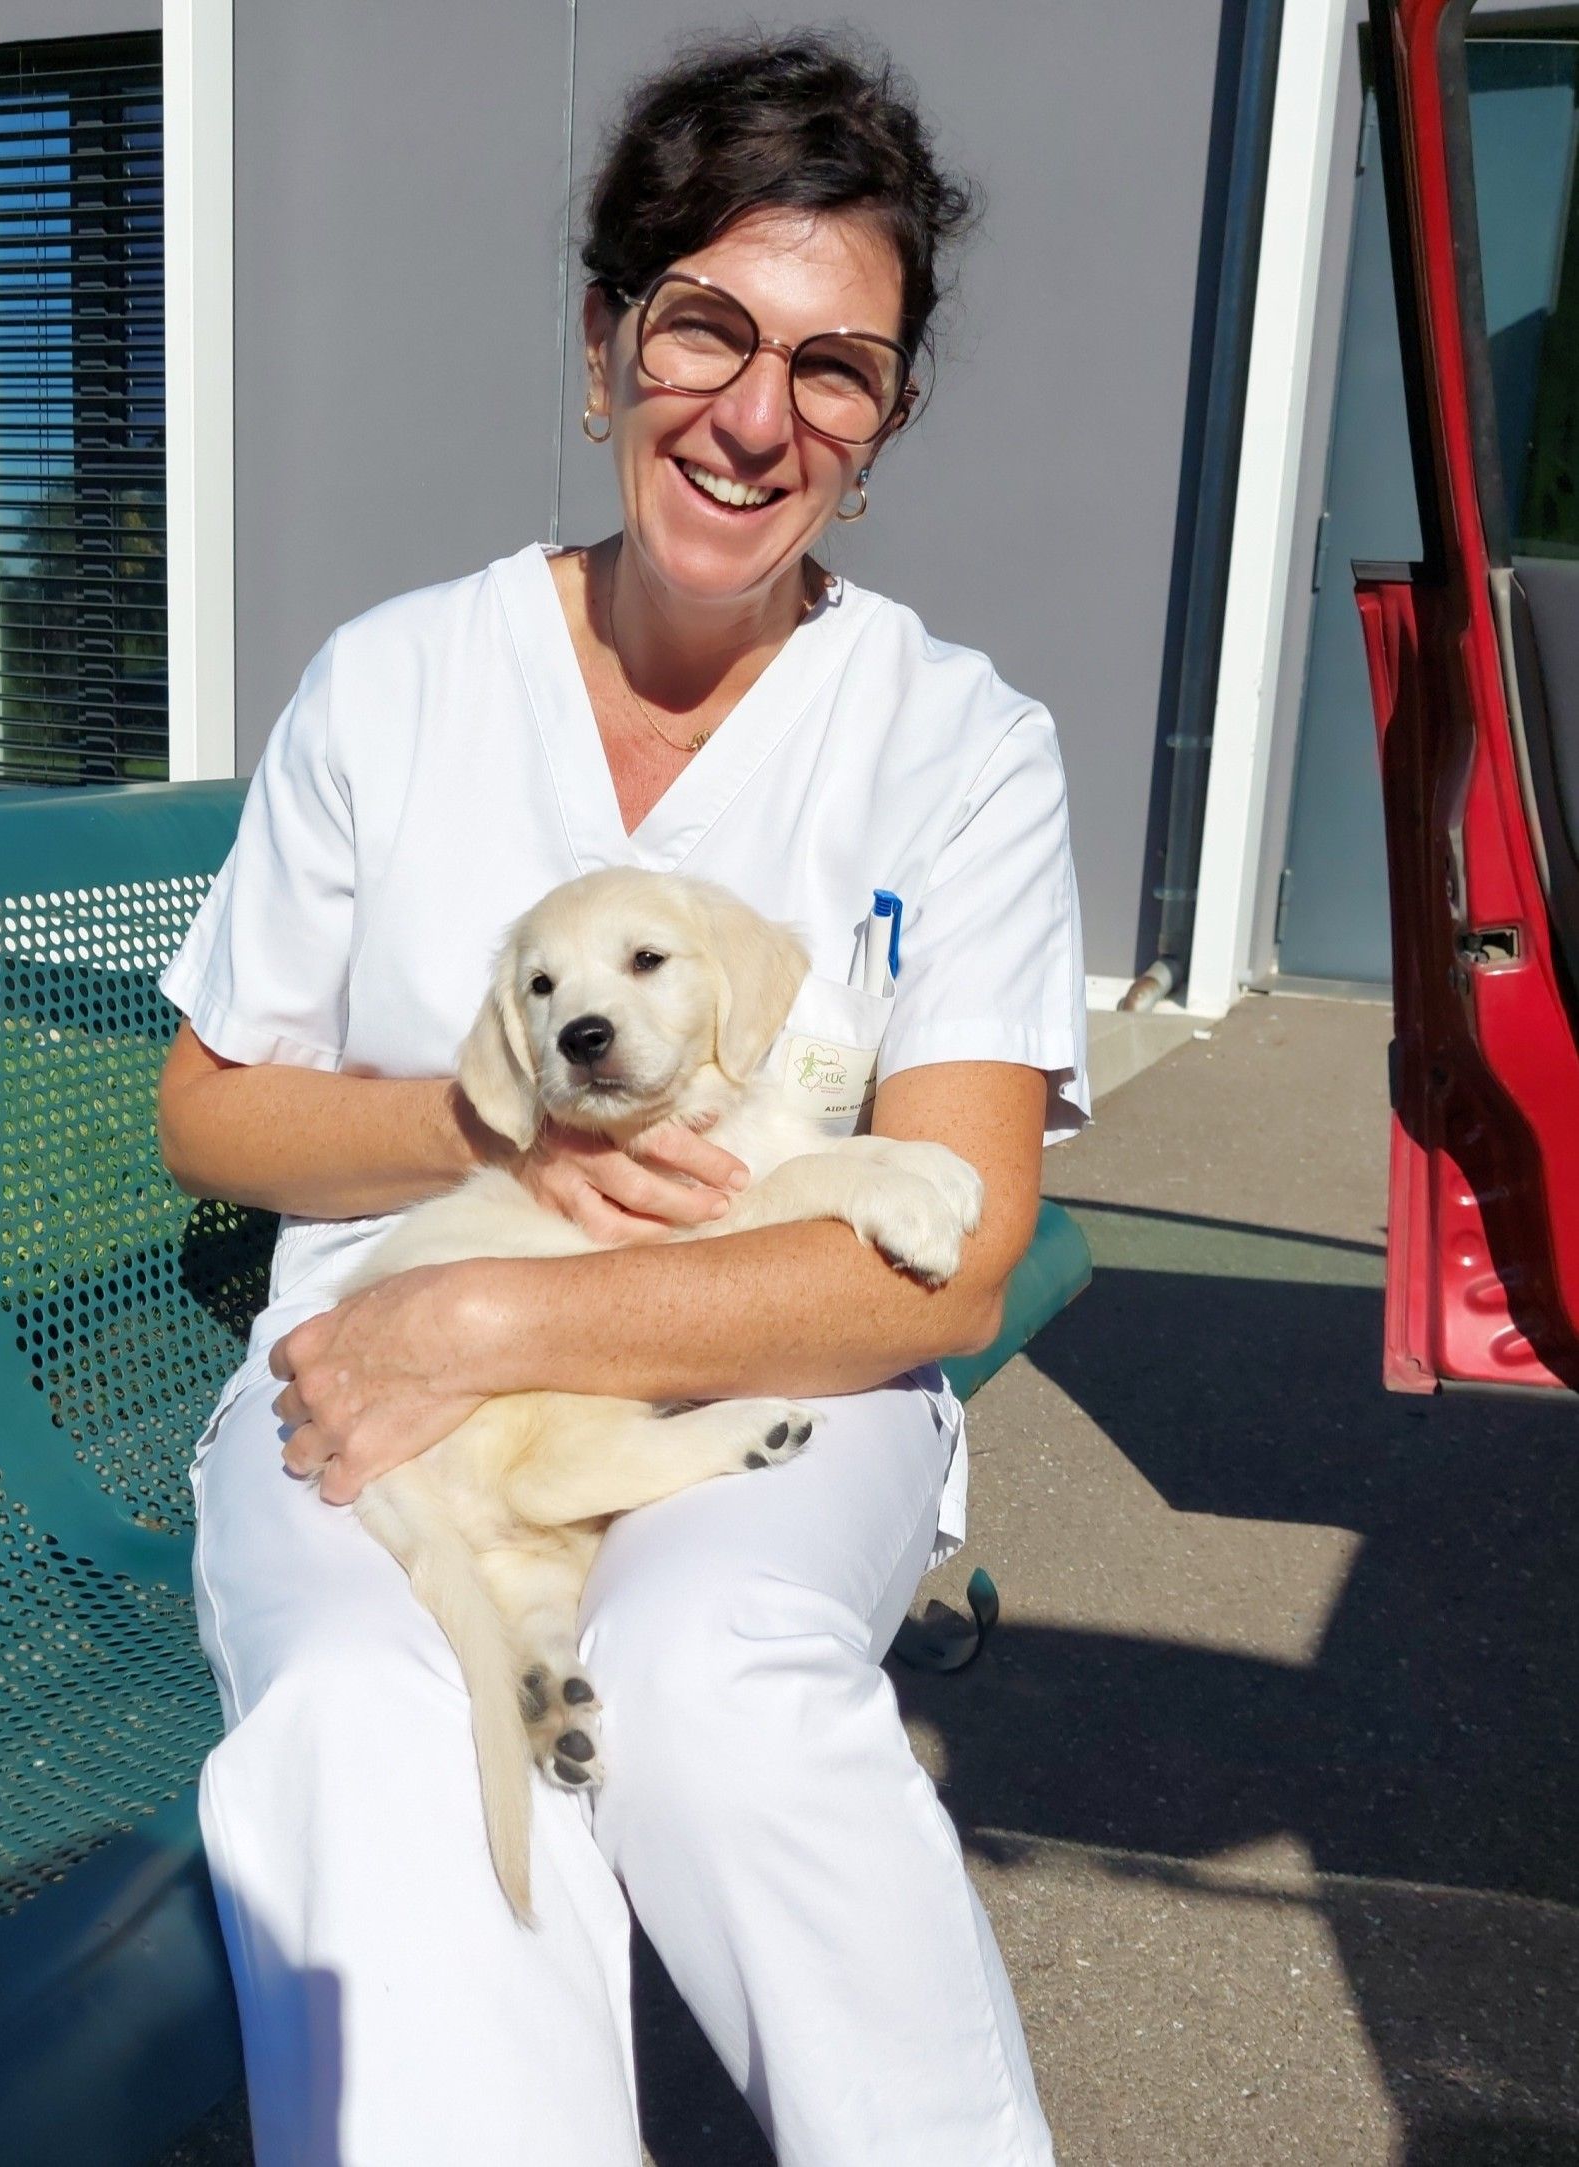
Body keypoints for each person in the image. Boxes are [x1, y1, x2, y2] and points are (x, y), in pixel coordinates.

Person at [156, 33, 1085, 2166]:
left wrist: (501, 1314)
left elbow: (953, 1260)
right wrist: (489, 1137)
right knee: (375, 1734)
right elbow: (210, 1109)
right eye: (704, 329)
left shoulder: (956, 743)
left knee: (720, 1679)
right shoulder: (400, 681)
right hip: (367, 1375)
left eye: (837, 369)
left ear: (887, 421)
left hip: (770, 1379)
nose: (757, 417)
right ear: (603, 344)